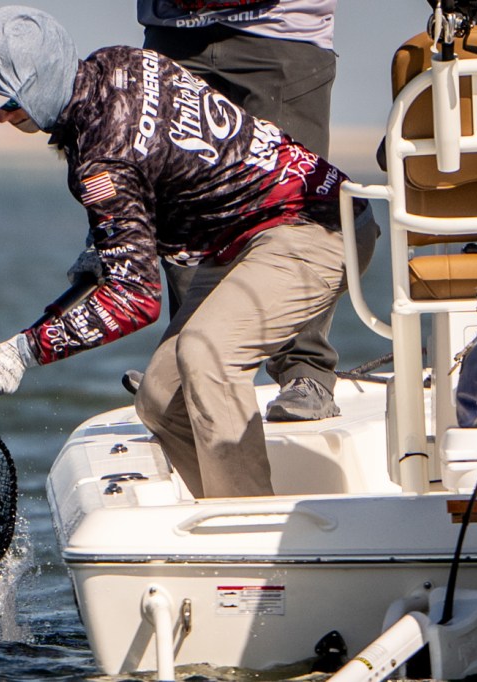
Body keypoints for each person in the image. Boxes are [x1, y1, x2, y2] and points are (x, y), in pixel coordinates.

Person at [0, 5, 376, 498]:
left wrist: (22, 352)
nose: (2, 118)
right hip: (253, 234)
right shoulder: (116, 62)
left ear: (41, 84)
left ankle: (249, 527)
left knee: (207, 355)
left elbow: (135, 300)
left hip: (315, 226)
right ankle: (229, 505)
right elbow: (154, 159)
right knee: (160, 397)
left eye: (9, 102)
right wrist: (106, 241)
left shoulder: (100, 161)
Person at [135, 0, 370, 422]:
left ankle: (305, 372)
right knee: (182, 206)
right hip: (173, 31)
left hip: (282, 33)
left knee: (296, 207)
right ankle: (181, 372)